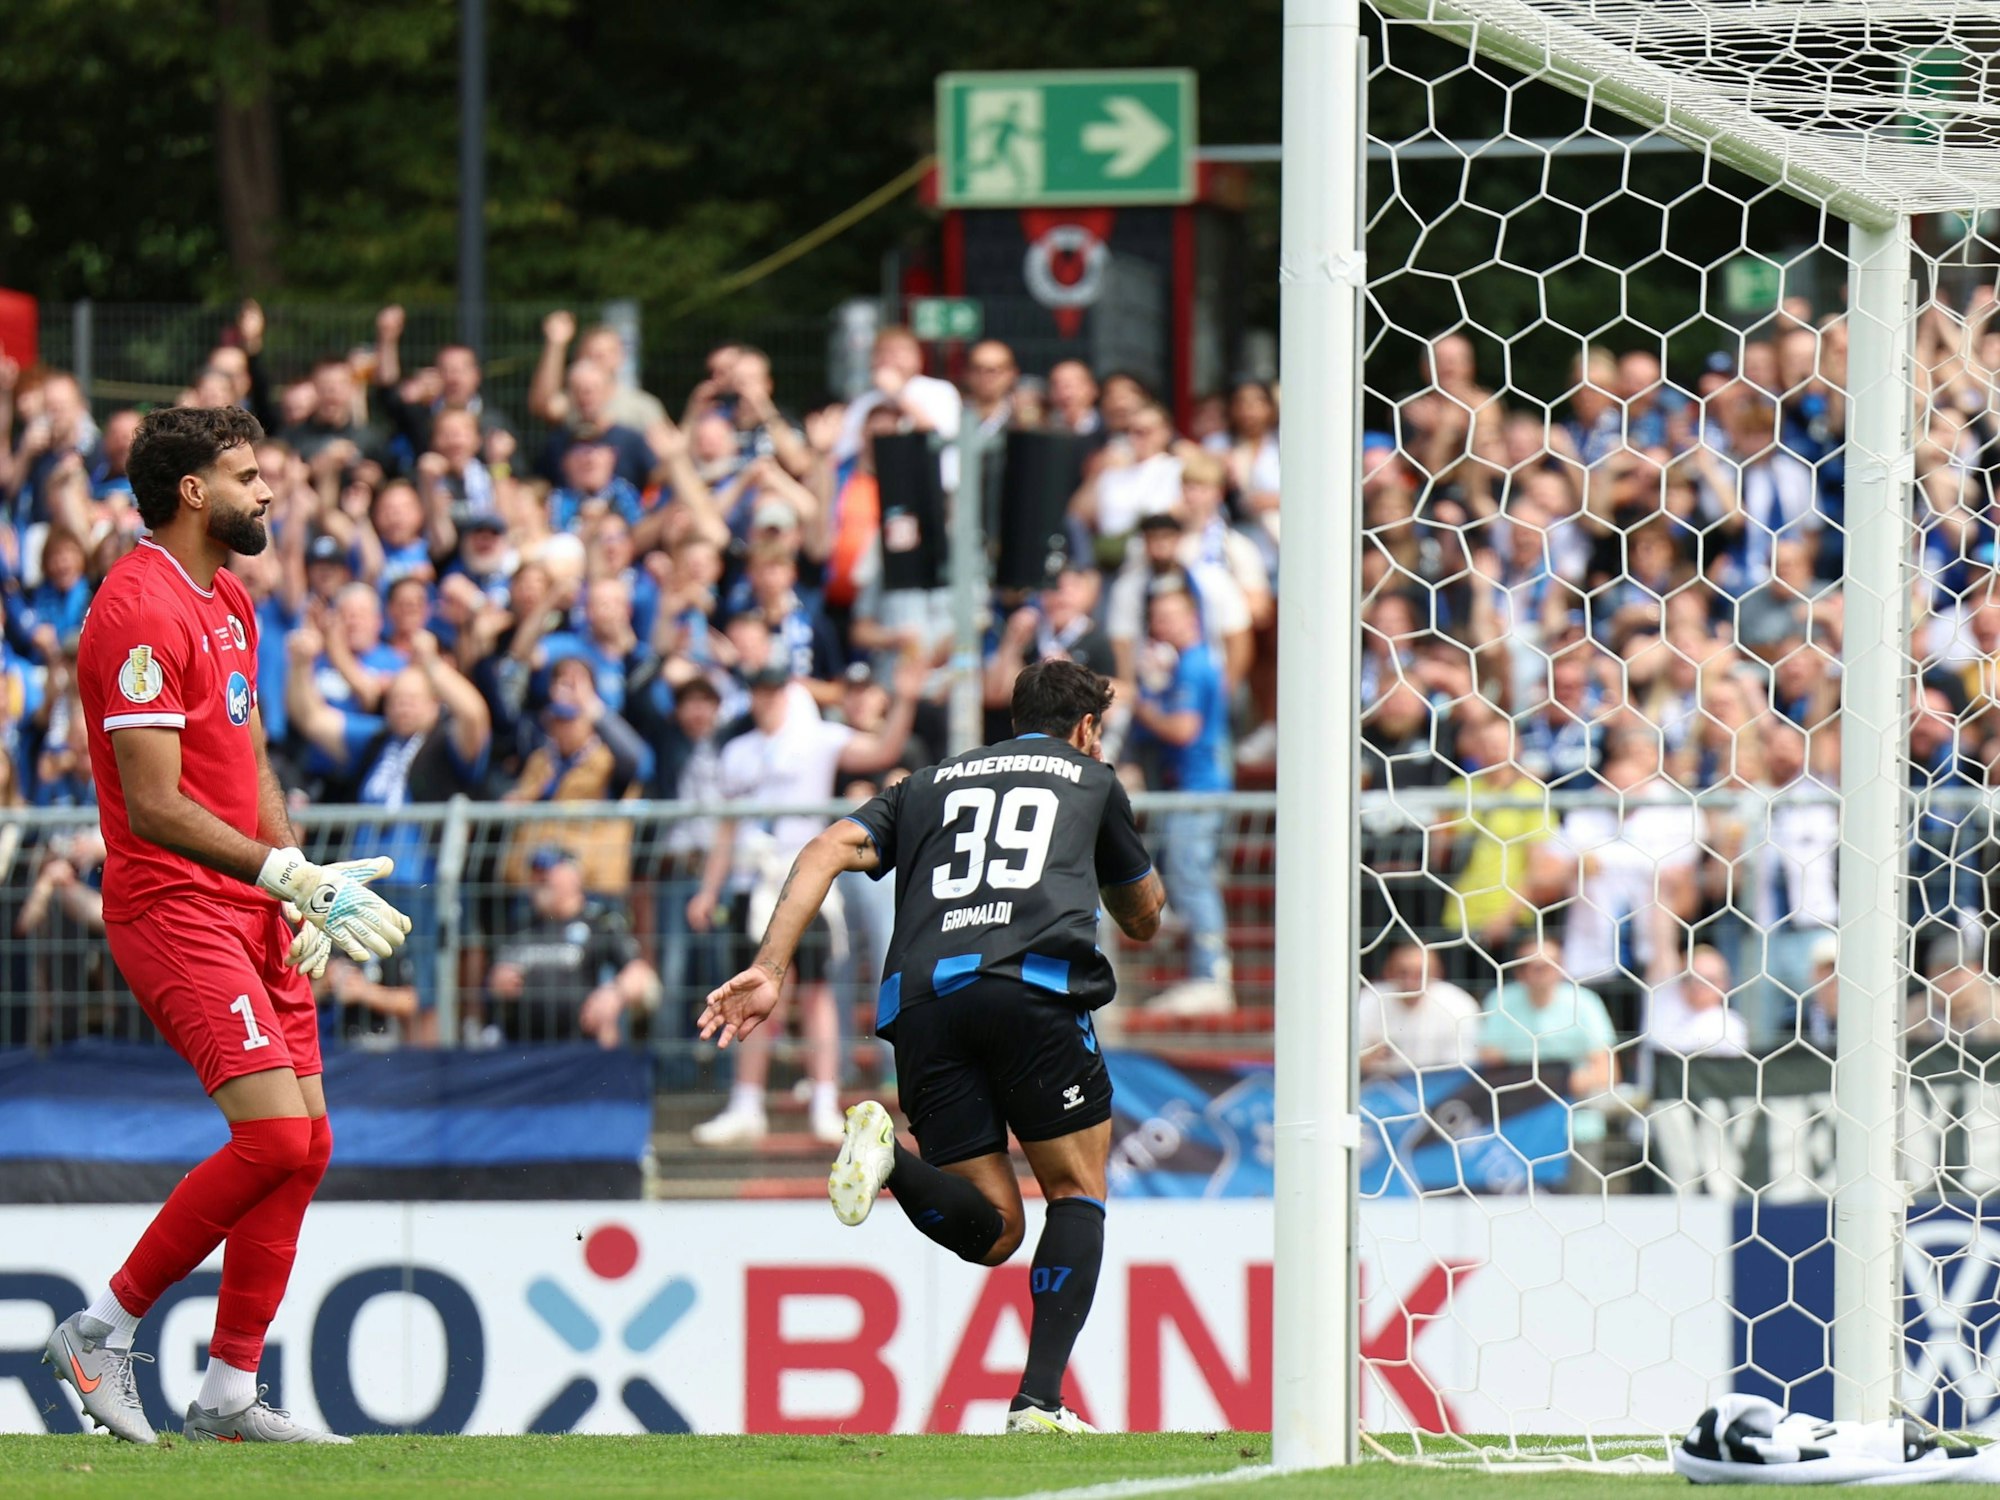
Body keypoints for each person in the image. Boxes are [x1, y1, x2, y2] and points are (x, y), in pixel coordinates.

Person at [52, 404, 411, 1445]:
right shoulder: (135, 609)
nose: (269, 492)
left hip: (251, 902)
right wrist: (284, 872)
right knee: (270, 1136)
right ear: (193, 491)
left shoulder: (231, 598)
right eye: (248, 476)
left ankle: (225, 1392)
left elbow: (249, 760)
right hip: (172, 907)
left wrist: (295, 881)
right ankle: (101, 1328)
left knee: (308, 1147)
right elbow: (155, 803)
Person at [698, 659, 1166, 1435]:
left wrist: (770, 968)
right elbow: (1143, 917)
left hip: (919, 1005)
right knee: (1076, 1189)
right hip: (1032, 988)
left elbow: (821, 851)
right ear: (1085, 729)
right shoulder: (1090, 778)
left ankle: (888, 1160)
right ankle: (1038, 1404)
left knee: (995, 1230)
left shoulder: (926, 782)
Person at [687, 657, 923, 1145]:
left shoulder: (817, 737)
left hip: (805, 879)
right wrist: (710, 888)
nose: (768, 698)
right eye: (760, 689)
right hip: (753, 881)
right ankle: (747, 1101)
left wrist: (906, 697)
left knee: (815, 989)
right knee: (748, 989)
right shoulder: (738, 751)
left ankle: (823, 1097)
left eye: (775, 688)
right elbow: (727, 829)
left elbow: (885, 747)